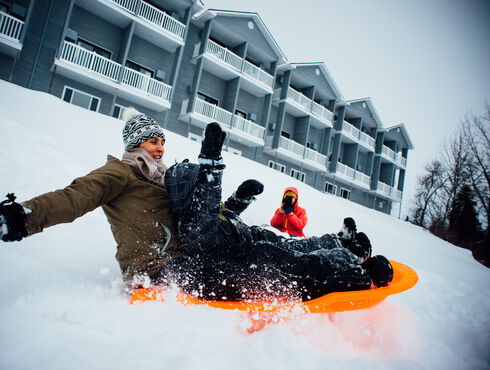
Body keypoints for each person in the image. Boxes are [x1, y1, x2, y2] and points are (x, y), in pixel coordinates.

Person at [0, 111, 393, 302]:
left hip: (191, 255)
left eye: (162, 141)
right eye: (152, 141)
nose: (160, 147)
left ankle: (342, 250)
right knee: (265, 272)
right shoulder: (118, 174)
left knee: (270, 249)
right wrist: (21, 217)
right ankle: (358, 277)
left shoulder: (160, 178)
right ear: (135, 144)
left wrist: (235, 203)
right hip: (160, 271)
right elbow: (74, 197)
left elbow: (202, 218)